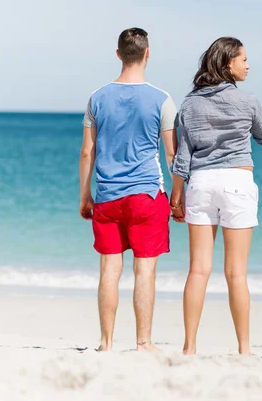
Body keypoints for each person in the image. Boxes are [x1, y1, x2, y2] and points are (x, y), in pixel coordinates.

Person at [170, 37, 262, 356]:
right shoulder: (248, 101)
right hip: (237, 181)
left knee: (198, 269)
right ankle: (243, 349)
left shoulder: (189, 104)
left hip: (200, 182)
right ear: (228, 63)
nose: (248, 64)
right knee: (236, 272)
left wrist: (177, 196)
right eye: (243, 59)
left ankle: (189, 347)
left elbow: (182, 157)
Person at [79, 27, 177, 352]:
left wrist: (85, 195)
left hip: (107, 197)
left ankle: (105, 343)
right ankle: (143, 342)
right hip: (146, 196)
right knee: (144, 270)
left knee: (110, 269)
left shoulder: (97, 97)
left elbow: (86, 152)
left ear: (119, 54)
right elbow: (172, 154)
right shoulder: (162, 100)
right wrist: (178, 196)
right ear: (148, 54)